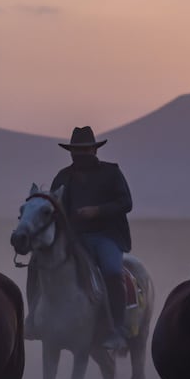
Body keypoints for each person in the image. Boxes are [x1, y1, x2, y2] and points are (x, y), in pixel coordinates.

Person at [50, 126, 133, 351]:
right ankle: (39, 320)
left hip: (107, 236)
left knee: (112, 272)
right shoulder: (63, 177)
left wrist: (97, 211)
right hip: (74, 238)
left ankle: (117, 328)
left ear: (94, 150)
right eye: (76, 150)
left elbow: (126, 203)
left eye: (85, 149)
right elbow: (54, 207)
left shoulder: (112, 172)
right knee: (44, 266)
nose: (80, 154)